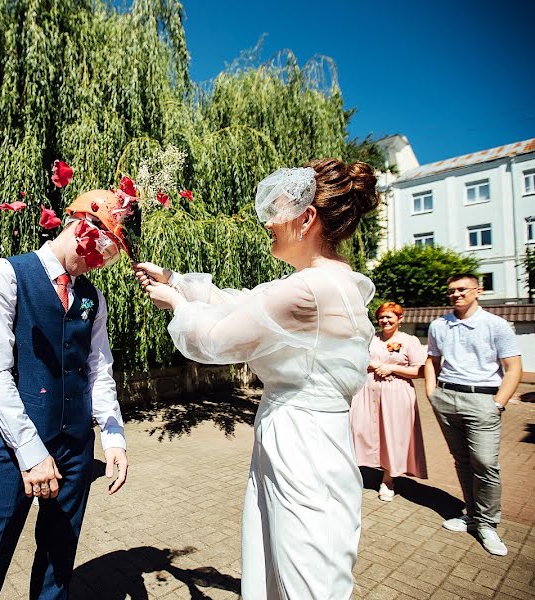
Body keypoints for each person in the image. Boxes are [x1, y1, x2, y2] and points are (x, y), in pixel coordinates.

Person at [136, 158, 379, 600]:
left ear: (306, 219)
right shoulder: (330, 282)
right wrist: (176, 281)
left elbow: (216, 339)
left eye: (278, 209)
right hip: (302, 433)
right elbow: (245, 303)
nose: (268, 221)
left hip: (301, 443)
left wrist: (176, 304)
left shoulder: (308, 290)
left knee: (306, 570)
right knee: (279, 556)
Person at [0, 189, 130, 600]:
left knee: (57, 566)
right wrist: (31, 453)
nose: (99, 260)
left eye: (109, 254)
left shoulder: (92, 298)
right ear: (80, 226)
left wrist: (113, 436)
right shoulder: (7, 274)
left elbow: (98, 370)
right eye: (98, 248)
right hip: (14, 448)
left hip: (74, 446)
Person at [424, 273, 522, 556]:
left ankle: (488, 524)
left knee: (485, 463)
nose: (456, 294)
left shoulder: (496, 325)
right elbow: (432, 360)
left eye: (462, 289)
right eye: (451, 290)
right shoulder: (439, 325)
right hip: (446, 397)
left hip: (483, 400)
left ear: (478, 291)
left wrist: (498, 403)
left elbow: (513, 367)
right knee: (463, 461)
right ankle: (471, 515)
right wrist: (432, 393)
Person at [350, 301, 428, 502]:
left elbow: (419, 371)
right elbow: (356, 358)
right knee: (358, 430)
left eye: (389, 317)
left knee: (392, 435)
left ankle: (388, 479)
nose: (385, 320)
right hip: (367, 392)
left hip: (396, 395)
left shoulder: (409, 341)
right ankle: (354, 472)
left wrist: (393, 368)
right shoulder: (370, 338)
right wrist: (373, 364)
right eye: (382, 317)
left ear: (400, 319)